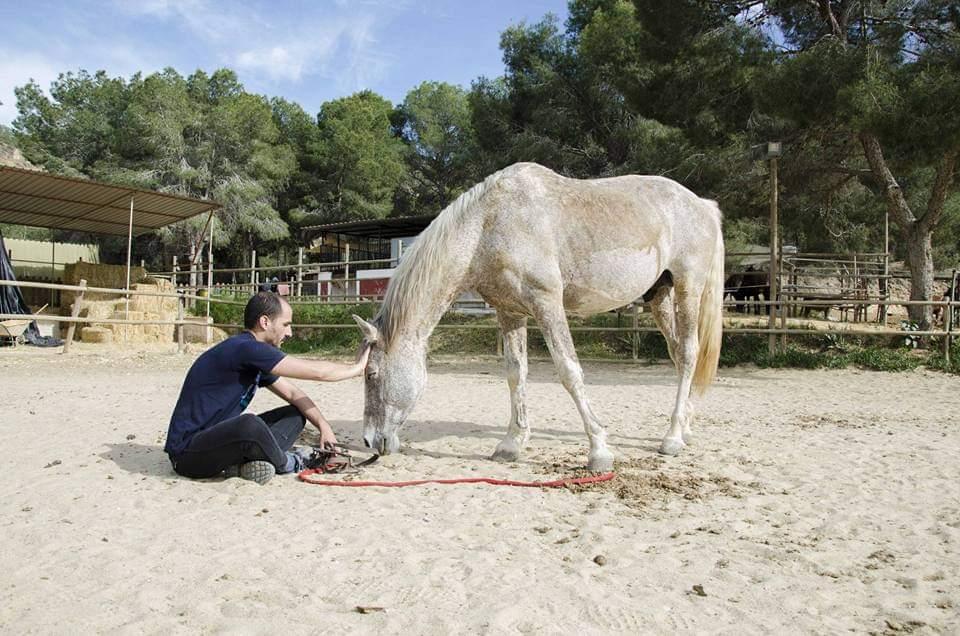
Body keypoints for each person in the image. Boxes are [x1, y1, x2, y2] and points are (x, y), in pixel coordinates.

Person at [164, 291, 369, 484]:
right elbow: (317, 373)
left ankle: (245, 465)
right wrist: (357, 368)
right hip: (187, 455)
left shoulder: (251, 355)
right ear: (265, 322)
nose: (289, 332)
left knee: (295, 414)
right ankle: (293, 462)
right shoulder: (246, 348)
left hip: (219, 443)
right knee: (249, 424)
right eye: (286, 324)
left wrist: (324, 427)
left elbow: (293, 393)